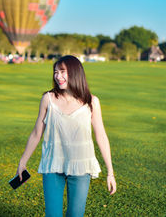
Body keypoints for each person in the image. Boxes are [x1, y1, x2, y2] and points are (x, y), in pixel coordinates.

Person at [16, 55, 116, 217]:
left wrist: (110, 172)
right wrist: (22, 162)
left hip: (81, 167)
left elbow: (101, 136)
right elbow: (36, 133)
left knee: (75, 215)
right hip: (53, 165)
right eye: (56, 72)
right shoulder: (48, 99)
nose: (58, 76)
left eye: (63, 72)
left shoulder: (92, 102)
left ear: (75, 73)